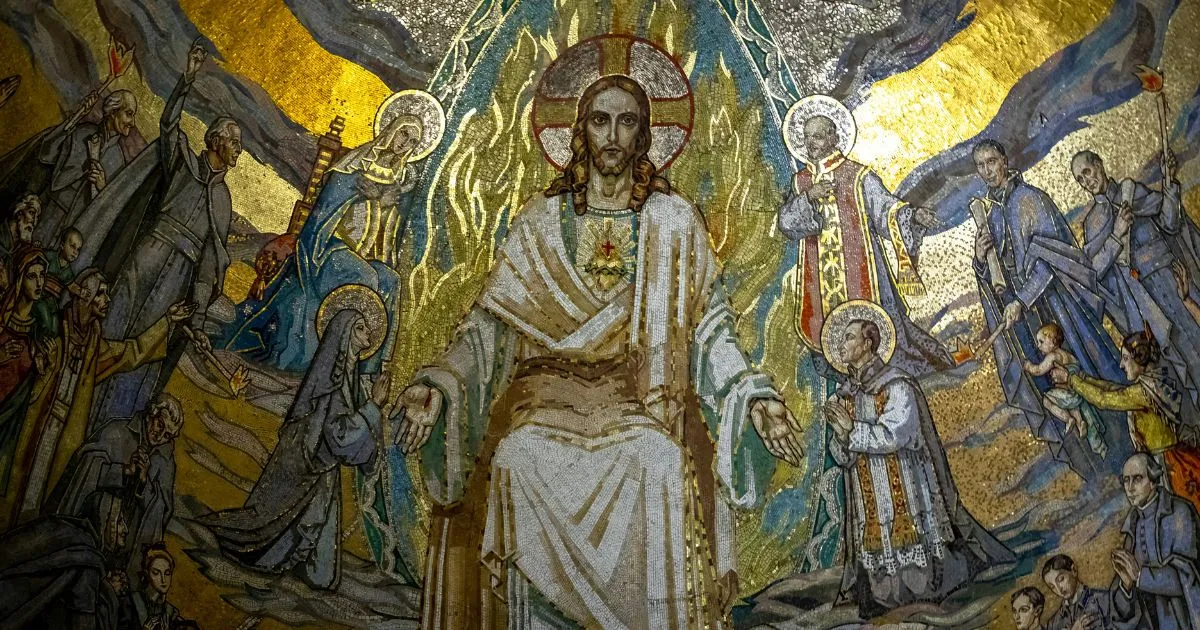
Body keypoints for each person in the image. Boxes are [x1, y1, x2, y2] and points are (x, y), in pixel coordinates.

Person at [395, 74, 803, 629]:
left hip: (634, 405)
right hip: (546, 403)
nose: (613, 135)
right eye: (600, 120)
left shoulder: (673, 223)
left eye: (628, 121)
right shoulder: (541, 224)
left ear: (645, 138)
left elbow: (711, 331)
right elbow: (487, 332)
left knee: (659, 461)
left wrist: (753, 396)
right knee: (517, 457)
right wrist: (437, 382)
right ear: (580, 132)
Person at [75, 41, 236, 425]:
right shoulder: (182, 162)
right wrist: (188, 78)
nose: (238, 152)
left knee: (152, 340)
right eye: (234, 142)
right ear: (214, 141)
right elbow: (168, 127)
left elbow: (211, 259)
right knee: (118, 314)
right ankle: (78, 387)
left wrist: (196, 317)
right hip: (153, 247)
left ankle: (116, 420)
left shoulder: (225, 199)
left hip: (180, 272)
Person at [821, 301, 1015, 616]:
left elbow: (897, 433)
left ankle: (927, 592)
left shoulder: (896, 384)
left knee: (914, 546)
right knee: (880, 545)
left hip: (906, 485)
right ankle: (886, 599)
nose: (840, 346)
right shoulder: (845, 395)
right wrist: (842, 437)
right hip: (869, 492)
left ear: (868, 343)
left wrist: (851, 430)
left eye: (848, 338)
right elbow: (842, 458)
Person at [199, 286, 390, 590]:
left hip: (319, 470)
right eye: (361, 329)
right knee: (279, 532)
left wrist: (372, 414)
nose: (369, 336)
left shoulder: (348, 378)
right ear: (345, 336)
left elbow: (346, 438)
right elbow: (338, 435)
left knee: (319, 564)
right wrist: (372, 408)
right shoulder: (332, 383)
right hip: (306, 466)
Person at [221, 109, 425, 371]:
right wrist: (370, 197)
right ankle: (331, 363)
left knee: (391, 281)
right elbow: (328, 205)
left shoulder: (399, 179)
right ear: (392, 129)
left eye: (412, 142)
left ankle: (370, 371)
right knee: (367, 278)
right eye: (404, 133)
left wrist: (387, 203)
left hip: (363, 254)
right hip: (327, 248)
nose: (404, 143)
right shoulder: (357, 162)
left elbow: (387, 229)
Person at [971, 139, 1126, 482]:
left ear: (1005, 160)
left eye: (992, 161)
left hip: (1060, 309)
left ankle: (1126, 448)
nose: (987, 170)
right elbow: (998, 276)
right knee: (1053, 391)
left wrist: (1021, 299)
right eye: (980, 166)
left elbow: (1051, 262)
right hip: (1028, 322)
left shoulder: (1030, 200)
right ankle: (1093, 467)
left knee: (1089, 372)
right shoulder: (993, 214)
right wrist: (981, 260)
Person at [3, 269, 193, 529]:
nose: (107, 300)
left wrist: (166, 322)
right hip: (33, 422)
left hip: (63, 434)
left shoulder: (93, 344)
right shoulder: (54, 326)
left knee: (41, 498)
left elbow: (131, 352)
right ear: (84, 297)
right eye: (101, 294)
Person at [777, 107, 951, 376]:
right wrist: (809, 197)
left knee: (884, 330)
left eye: (819, 137)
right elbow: (787, 224)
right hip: (818, 279)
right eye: (807, 137)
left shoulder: (858, 176)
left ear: (834, 138)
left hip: (864, 272)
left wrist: (912, 215)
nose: (812, 143)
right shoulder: (801, 182)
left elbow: (886, 210)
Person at [1073, 150, 1200, 402]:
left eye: (1087, 172)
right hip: (1141, 300)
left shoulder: (1132, 191)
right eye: (1080, 180)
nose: (1087, 181)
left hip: (1171, 281)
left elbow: (1171, 222)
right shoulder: (1092, 223)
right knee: (1172, 359)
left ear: (1099, 164)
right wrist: (1116, 235)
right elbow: (1095, 271)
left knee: (1194, 340)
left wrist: (1169, 182)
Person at [1053, 329, 1200, 511]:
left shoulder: (1144, 392)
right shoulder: (1151, 383)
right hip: (1163, 459)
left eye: (1126, 358)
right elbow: (1113, 388)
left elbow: (1104, 399)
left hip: (1166, 466)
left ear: (1140, 358)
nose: (1122, 365)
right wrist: (1083, 378)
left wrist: (1070, 379)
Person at [47, 394, 184, 563]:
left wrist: (143, 483)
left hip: (125, 545)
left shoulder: (166, 462)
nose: (159, 435)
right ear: (151, 413)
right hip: (90, 532)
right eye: (160, 425)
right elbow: (84, 469)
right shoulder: (116, 430)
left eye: (167, 435)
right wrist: (123, 471)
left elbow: (163, 511)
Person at [0, 87, 139, 235]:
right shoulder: (83, 132)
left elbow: (109, 212)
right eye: (128, 114)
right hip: (47, 212)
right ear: (112, 112)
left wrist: (102, 187)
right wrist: (75, 118)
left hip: (70, 230)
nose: (132, 122)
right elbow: (46, 155)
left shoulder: (118, 160)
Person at [1110, 453, 1200, 628]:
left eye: (1137, 479)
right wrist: (1126, 587)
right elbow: (1122, 605)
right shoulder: (1132, 525)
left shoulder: (1179, 512)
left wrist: (1139, 576)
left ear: (1153, 481)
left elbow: (1186, 576)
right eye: (1126, 481)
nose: (1129, 487)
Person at [0, 246, 50, 503]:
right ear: (20, 278)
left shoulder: (37, 330)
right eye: (33, 276)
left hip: (11, 420)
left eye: (42, 275)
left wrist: (40, 368)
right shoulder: (2, 317)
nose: (40, 282)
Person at [1025, 323, 1106, 457]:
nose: (1038, 346)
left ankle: (1068, 419)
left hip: (1069, 394)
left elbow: (1038, 370)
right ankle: (1080, 422)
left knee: (1046, 400)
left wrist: (1028, 366)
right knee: (1073, 404)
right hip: (1076, 394)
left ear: (1052, 341)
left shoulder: (1053, 356)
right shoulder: (1068, 356)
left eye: (1041, 342)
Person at [117, 544, 187, 630]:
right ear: (146, 574)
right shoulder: (130, 604)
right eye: (156, 573)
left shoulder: (172, 613)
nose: (163, 580)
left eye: (167, 573)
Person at [1040, 554, 1110, 629]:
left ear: (1074, 570)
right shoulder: (1053, 622)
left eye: (1061, 579)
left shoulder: (1103, 599)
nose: (1058, 589)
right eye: (1052, 587)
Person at [34, 226, 83, 331]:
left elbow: (72, 286)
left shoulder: (68, 272)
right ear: (61, 245)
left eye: (78, 249)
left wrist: (81, 292)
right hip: (40, 299)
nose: (75, 252)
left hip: (53, 305)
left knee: (55, 328)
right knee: (45, 322)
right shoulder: (50, 256)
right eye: (72, 246)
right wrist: (36, 248)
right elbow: (36, 257)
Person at [0, 195, 39, 266]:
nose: (34, 221)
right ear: (19, 213)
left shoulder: (19, 250)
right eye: (31, 213)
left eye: (36, 216)